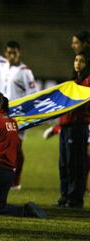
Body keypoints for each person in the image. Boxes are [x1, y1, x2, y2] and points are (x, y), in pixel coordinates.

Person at [0, 91, 46, 218]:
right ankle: (26, 211)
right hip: (9, 172)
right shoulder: (12, 122)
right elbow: (17, 146)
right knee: (0, 207)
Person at [2, 41, 37, 190]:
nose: (11, 56)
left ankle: (16, 181)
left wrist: (26, 113)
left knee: (16, 148)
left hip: (19, 116)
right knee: (9, 147)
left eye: (14, 53)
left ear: (19, 53)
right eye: (9, 53)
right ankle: (9, 179)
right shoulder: (5, 69)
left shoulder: (25, 72)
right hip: (5, 114)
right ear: (5, 53)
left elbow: (33, 94)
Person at [57, 49, 90, 208]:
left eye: (81, 61)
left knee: (75, 163)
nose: (78, 63)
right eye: (76, 60)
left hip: (78, 126)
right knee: (63, 162)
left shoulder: (88, 81)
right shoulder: (73, 81)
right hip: (65, 125)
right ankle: (64, 196)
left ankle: (75, 198)